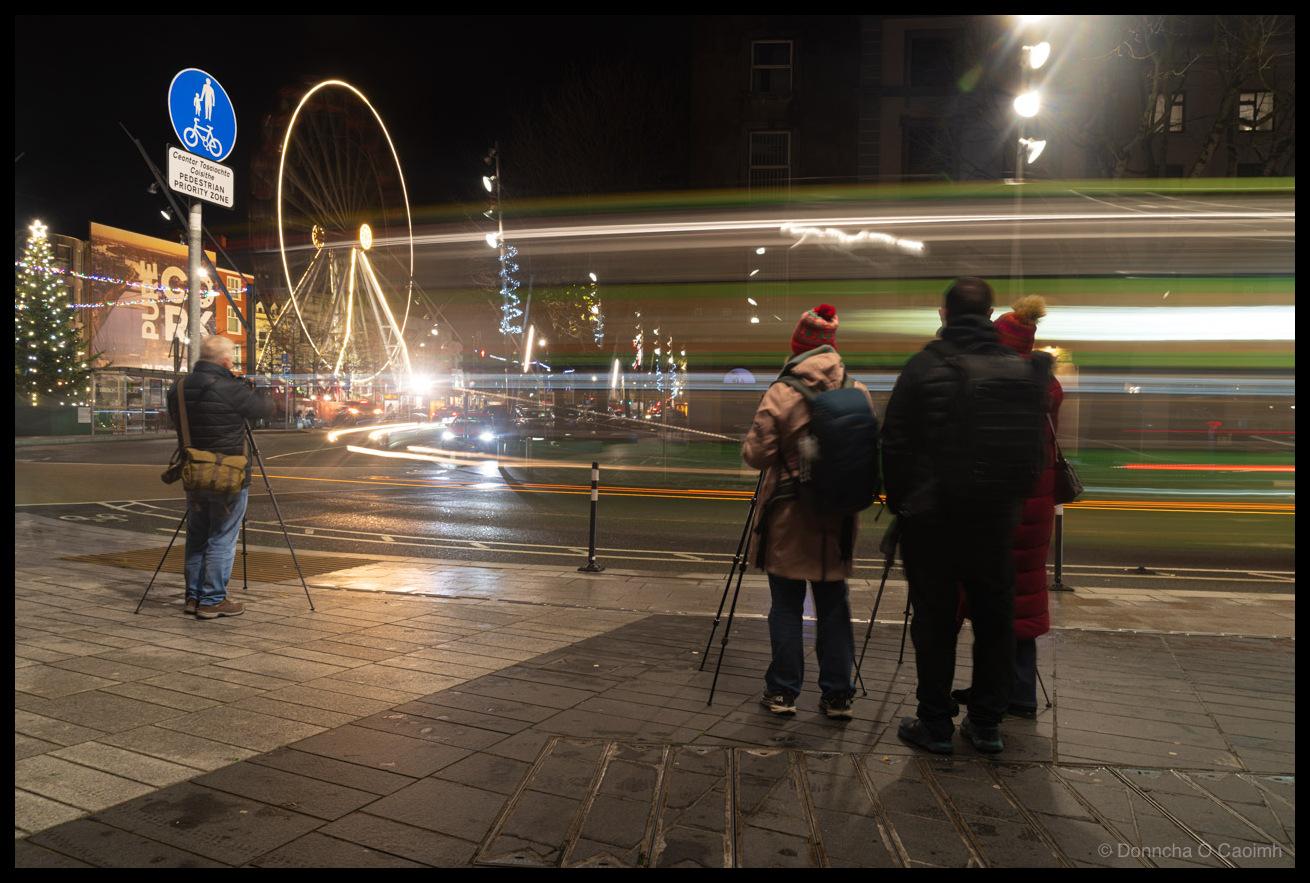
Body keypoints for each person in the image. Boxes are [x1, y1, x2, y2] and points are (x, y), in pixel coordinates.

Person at [881, 276, 1037, 755]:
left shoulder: (923, 367)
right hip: (995, 520)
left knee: (934, 620)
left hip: (933, 521)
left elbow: (894, 443)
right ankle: (987, 723)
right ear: (990, 316)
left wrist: (902, 504)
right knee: (995, 619)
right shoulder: (1018, 368)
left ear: (944, 315)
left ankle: (934, 724)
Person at [741, 304, 871, 720]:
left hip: (789, 515)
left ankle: (782, 691)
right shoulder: (858, 389)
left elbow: (757, 456)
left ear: (797, 347)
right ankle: (837, 695)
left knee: (786, 604)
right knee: (834, 601)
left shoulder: (783, 391)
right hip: (839, 515)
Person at [952, 296, 1063, 718]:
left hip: (1005, 505)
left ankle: (998, 693)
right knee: (1025, 595)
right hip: (1038, 504)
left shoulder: (997, 383)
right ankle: (1018, 690)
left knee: (993, 598)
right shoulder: (1047, 387)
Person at [167, 335, 275, 619]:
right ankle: (213, 599)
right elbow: (265, 411)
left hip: (194, 471)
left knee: (197, 534)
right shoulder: (231, 388)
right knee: (222, 535)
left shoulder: (177, 388)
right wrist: (254, 388)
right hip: (230, 474)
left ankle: (193, 596)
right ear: (226, 361)